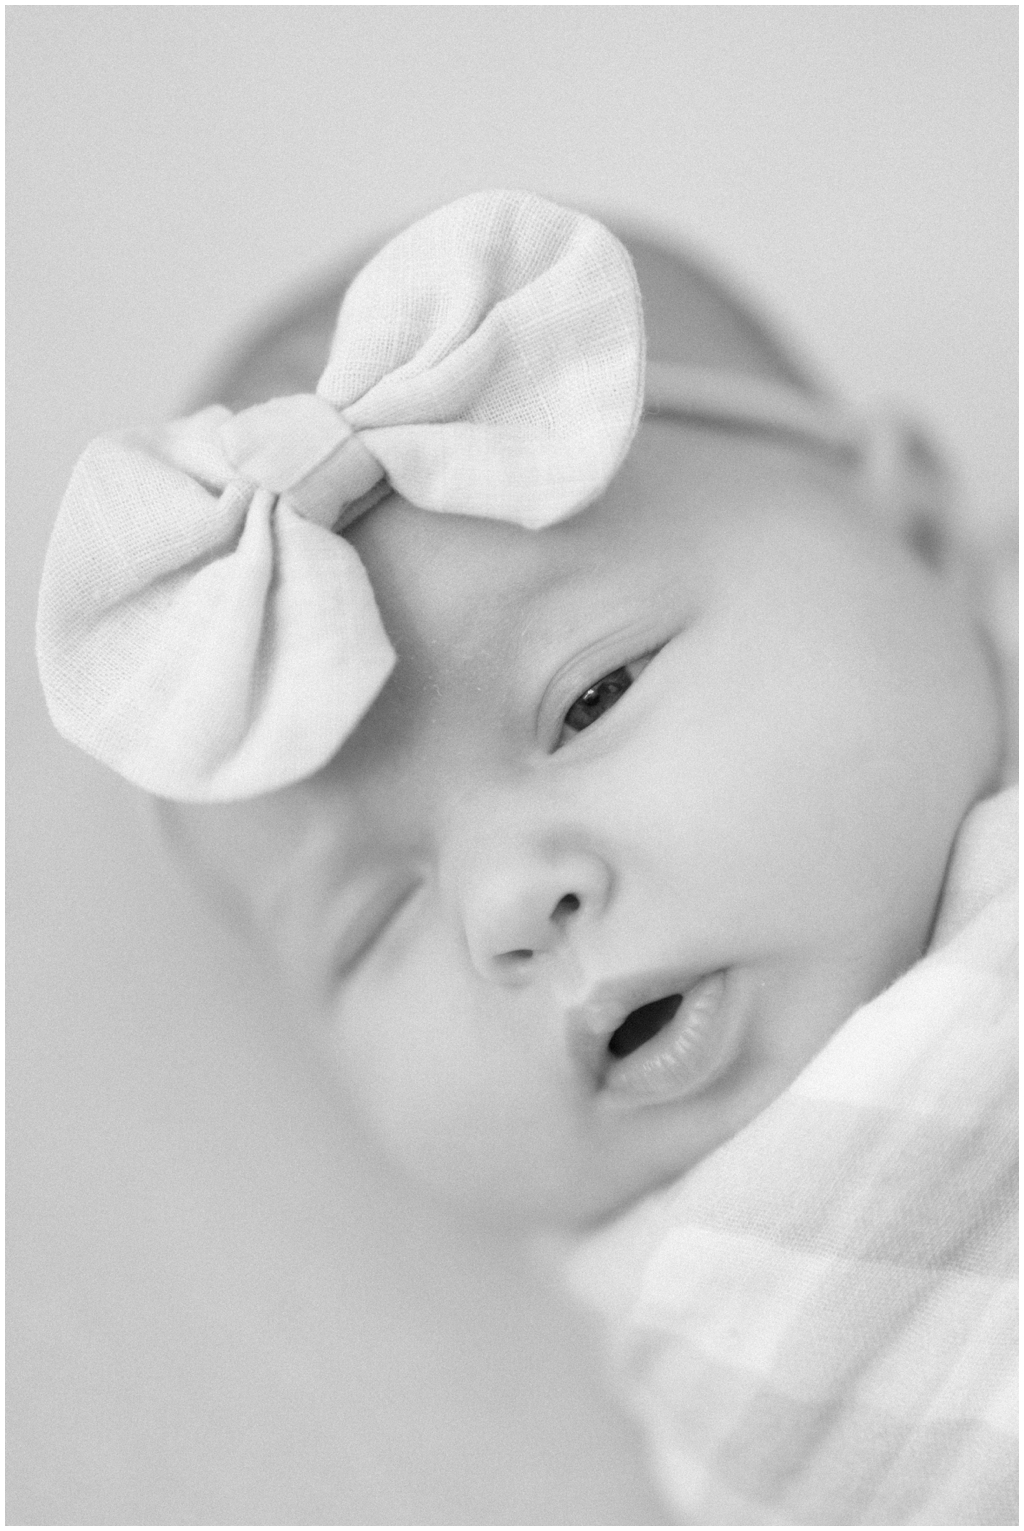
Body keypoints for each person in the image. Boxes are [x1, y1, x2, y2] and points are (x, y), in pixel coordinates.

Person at [37, 189, 1016, 1525]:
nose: (508, 904)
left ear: (911, 529)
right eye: (375, 919)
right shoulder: (735, 1339)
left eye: (592, 698)